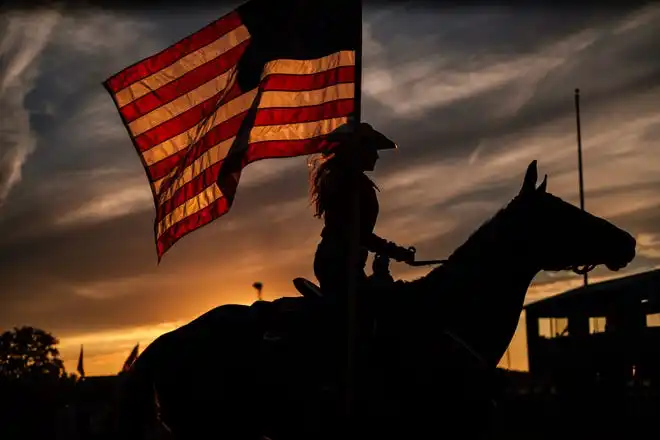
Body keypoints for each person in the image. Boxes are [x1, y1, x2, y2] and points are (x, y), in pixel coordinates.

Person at [308, 122, 415, 300]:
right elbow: (355, 232)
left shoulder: (348, 181)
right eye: (373, 150)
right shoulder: (349, 184)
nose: (377, 156)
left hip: (340, 261)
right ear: (358, 151)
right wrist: (394, 251)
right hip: (338, 263)